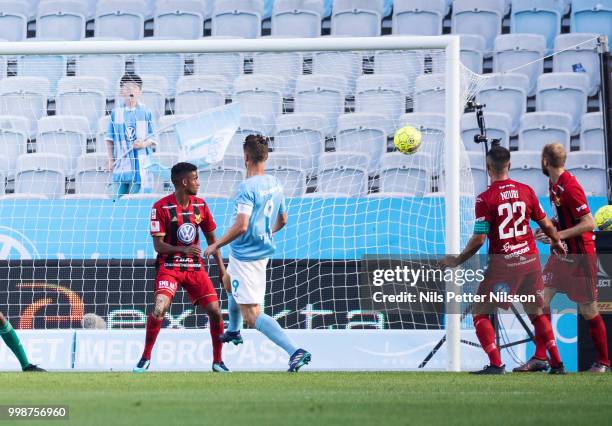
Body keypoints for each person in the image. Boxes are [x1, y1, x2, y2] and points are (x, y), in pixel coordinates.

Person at [440, 146, 567, 374]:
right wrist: (556, 241)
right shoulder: (526, 191)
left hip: (504, 264)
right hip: (530, 260)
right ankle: (557, 363)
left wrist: (457, 260)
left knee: (480, 312)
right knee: (537, 312)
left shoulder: (485, 199)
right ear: (509, 165)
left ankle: (496, 364)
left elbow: (479, 239)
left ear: (488, 168)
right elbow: (546, 224)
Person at [204, 135, 311, 372]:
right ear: (266, 157)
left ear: (245, 157)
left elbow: (241, 225)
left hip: (246, 257)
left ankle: (295, 351)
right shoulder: (275, 183)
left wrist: (216, 245)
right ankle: (233, 330)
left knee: (252, 315)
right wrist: (266, 233)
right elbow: (283, 219)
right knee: (227, 280)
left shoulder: (246, 188)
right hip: (260, 252)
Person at [514, 143, 609, 373]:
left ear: (545, 161)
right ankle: (540, 357)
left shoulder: (571, 186)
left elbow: (589, 223)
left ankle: (604, 362)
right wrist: (550, 230)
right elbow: (562, 218)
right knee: (540, 302)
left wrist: (558, 235)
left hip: (581, 257)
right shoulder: (553, 183)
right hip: (562, 255)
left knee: (589, 310)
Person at [133, 162, 228, 373]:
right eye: (195, 179)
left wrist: (222, 270)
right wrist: (182, 250)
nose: (198, 183)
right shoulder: (160, 207)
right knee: (160, 307)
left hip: (195, 268)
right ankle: (145, 358)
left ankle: (218, 361)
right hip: (169, 267)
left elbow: (213, 241)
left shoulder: (201, 206)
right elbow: (158, 246)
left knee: (215, 311)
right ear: (184, 182)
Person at [106, 73, 155, 199]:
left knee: (133, 202)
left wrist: (143, 144)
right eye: (127, 87)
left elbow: (153, 139)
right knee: (114, 199)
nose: (130, 90)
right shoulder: (115, 113)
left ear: (140, 91)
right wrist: (111, 160)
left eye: (134, 87)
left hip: (140, 166)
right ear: (121, 91)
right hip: (120, 165)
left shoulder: (146, 112)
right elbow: (110, 139)